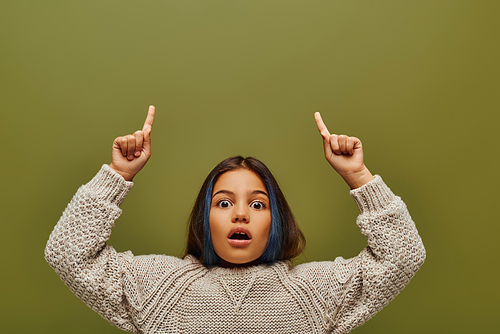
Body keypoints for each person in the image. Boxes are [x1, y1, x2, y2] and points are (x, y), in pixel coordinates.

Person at [45, 106, 425, 333]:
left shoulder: (314, 293)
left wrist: (358, 177)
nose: (241, 212)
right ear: (204, 218)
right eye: (223, 203)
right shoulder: (158, 288)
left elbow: (403, 258)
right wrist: (117, 174)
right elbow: (68, 254)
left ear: (276, 221)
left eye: (258, 205)